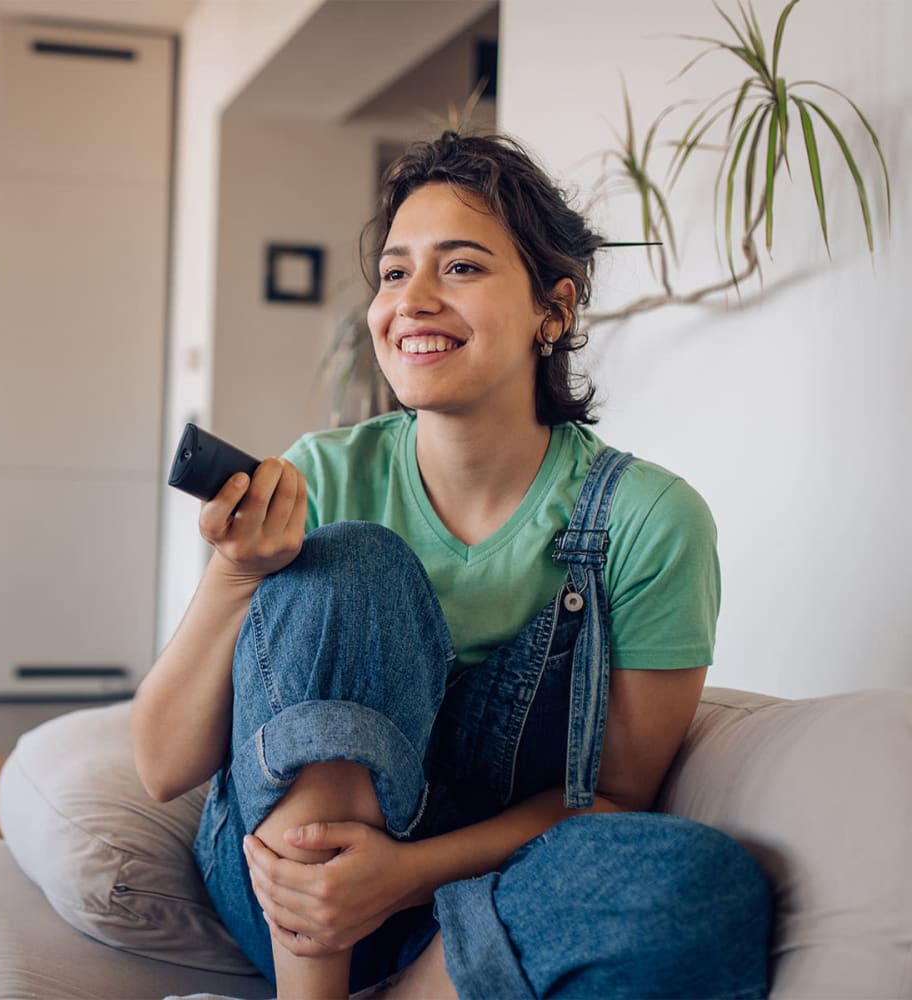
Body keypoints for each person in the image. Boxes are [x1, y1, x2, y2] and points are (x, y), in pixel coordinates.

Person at [132, 131, 771, 1000]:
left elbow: (611, 801)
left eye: (461, 267)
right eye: (396, 273)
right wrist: (236, 575)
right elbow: (164, 765)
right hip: (286, 904)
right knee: (356, 562)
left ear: (555, 309)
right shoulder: (322, 475)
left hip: (484, 892)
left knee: (705, 887)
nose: (413, 301)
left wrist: (404, 872)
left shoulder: (648, 520)